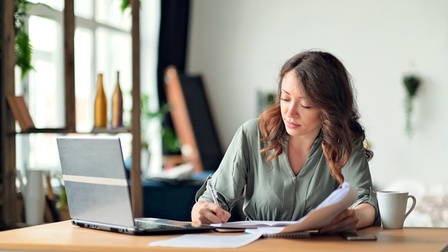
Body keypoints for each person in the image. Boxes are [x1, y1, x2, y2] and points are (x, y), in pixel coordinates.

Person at [191, 50, 380, 233]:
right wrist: (201, 210)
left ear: (330, 108)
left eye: (305, 104)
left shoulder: (344, 141)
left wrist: (355, 217)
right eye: (285, 98)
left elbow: (364, 201)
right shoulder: (252, 134)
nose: (290, 112)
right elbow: (215, 197)